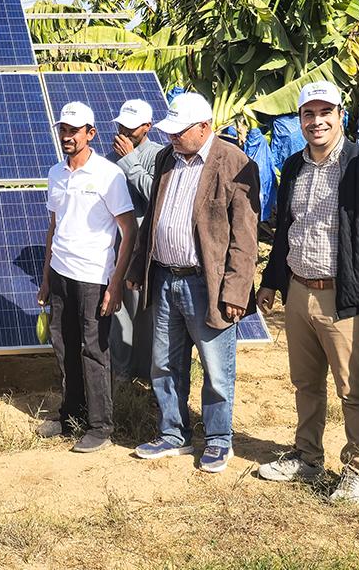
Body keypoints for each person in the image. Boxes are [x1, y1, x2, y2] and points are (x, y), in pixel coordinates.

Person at [255, 81, 359, 504]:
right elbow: (286, 230)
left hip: (345, 298)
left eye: (325, 113)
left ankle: (356, 472)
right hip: (300, 291)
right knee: (306, 382)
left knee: (353, 390)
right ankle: (307, 456)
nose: (316, 122)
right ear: (299, 120)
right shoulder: (295, 167)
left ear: (340, 116)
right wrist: (271, 281)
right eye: (308, 114)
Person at [126, 93, 260, 474]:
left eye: (180, 131)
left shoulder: (234, 163)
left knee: (217, 369)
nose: (172, 137)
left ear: (204, 127)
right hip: (166, 277)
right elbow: (152, 218)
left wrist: (235, 291)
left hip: (208, 285)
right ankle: (173, 433)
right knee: (164, 363)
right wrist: (139, 268)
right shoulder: (168, 158)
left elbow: (244, 237)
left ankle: (219, 440)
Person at [36, 102, 136, 453]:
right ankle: (70, 415)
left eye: (74, 130)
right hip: (61, 275)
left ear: (90, 133)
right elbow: (54, 227)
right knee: (64, 346)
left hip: (94, 277)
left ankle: (100, 426)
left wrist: (115, 283)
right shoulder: (55, 174)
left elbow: (128, 230)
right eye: (63, 129)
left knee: (94, 350)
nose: (67, 136)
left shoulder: (109, 175)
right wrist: (47, 278)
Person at [107, 99, 164, 381]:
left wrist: (130, 161)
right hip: (114, 247)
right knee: (118, 310)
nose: (124, 131)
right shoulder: (108, 158)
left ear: (147, 127)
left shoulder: (159, 155)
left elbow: (159, 196)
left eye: (131, 127)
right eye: (121, 125)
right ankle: (121, 369)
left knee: (144, 312)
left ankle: (146, 371)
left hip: (143, 248)